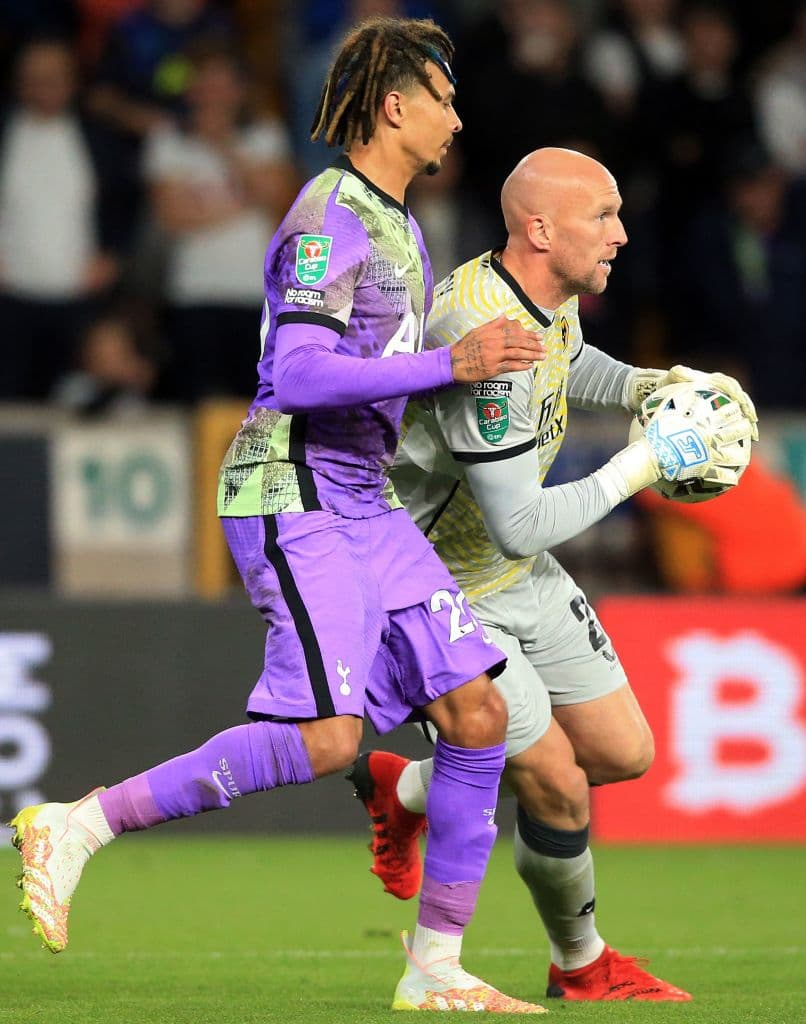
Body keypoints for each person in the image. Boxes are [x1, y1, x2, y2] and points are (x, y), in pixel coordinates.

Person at [10, 16, 550, 1015]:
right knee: (327, 742)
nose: (455, 118)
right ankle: (79, 823)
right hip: (290, 486)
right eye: (442, 97)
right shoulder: (328, 217)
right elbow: (294, 374)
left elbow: (376, 378)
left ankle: (434, 968)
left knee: (476, 712)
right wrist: (452, 364)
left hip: (363, 495)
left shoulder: (401, 223)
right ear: (394, 106)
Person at [347, 146, 756, 1001]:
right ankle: (582, 965)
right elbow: (520, 517)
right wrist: (647, 463)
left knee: (622, 753)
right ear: (540, 228)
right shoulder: (479, 330)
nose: (622, 233)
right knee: (559, 786)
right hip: (440, 592)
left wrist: (650, 384)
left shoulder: (548, 299)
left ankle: (407, 788)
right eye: (603, 215)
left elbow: (571, 360)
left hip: (517, 574)